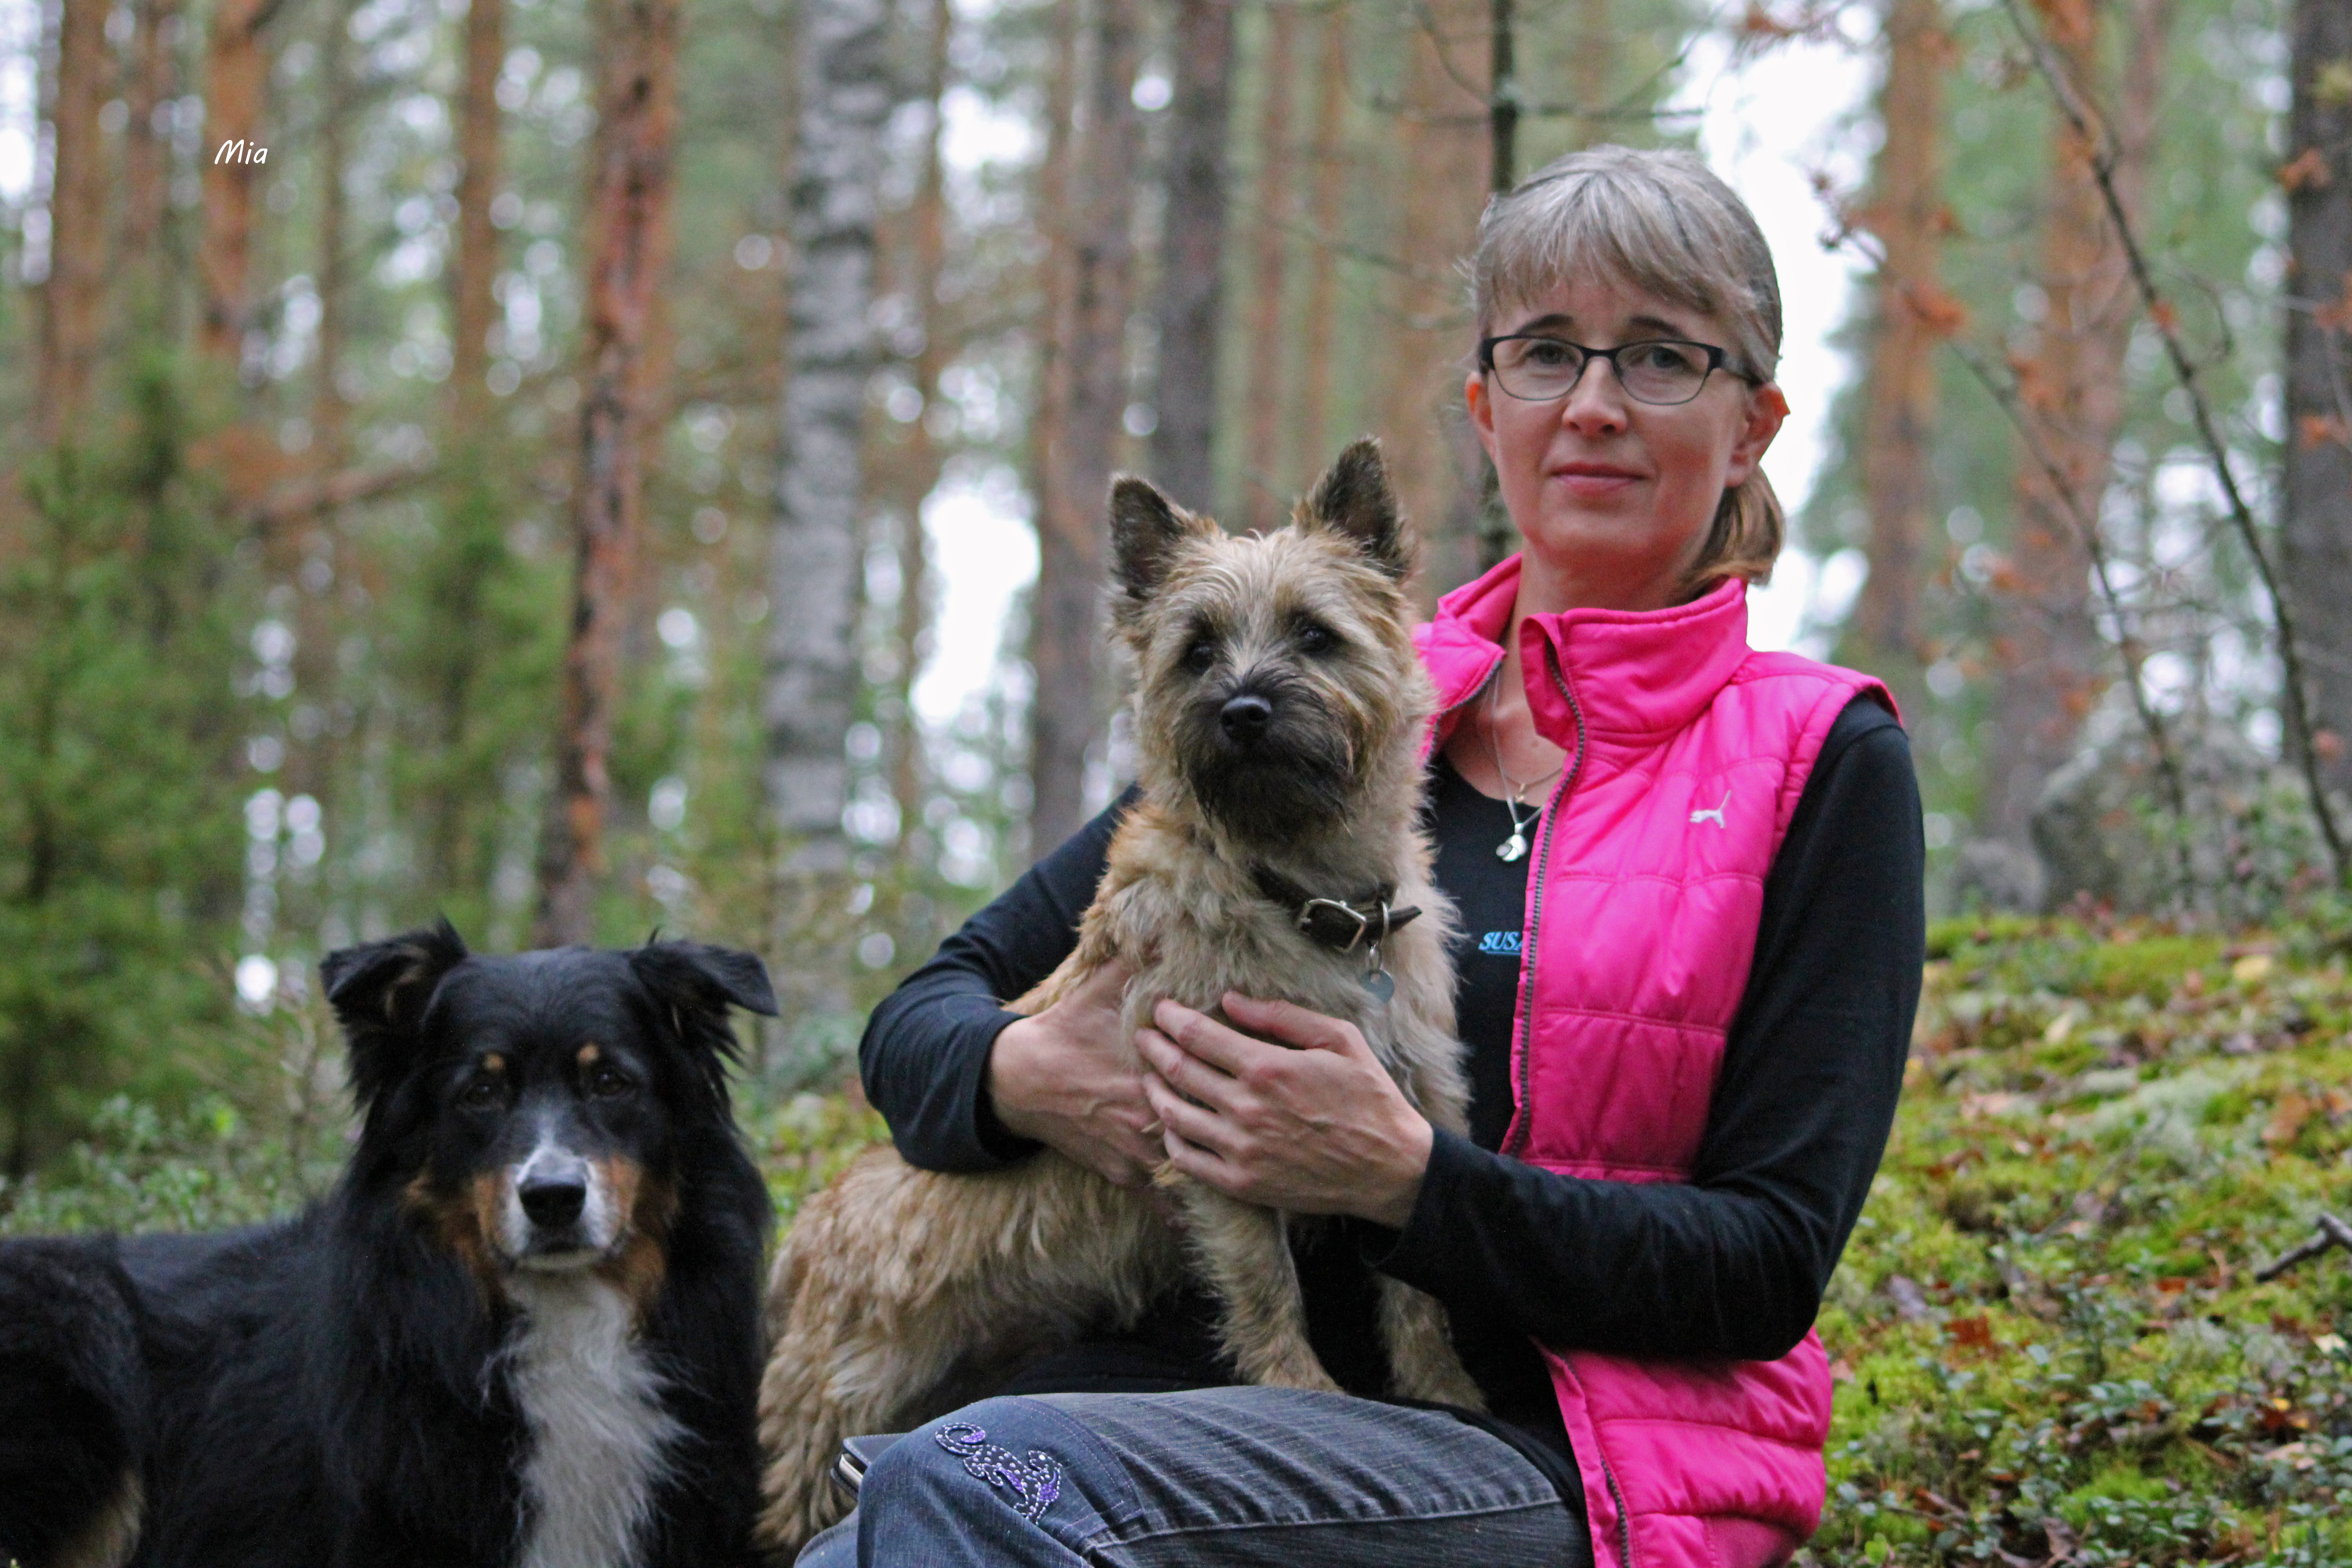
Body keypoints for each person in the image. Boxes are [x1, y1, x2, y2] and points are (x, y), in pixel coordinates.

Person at [804, 144, 1924, 1568]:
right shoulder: (1318, 724)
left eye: (1659, 357)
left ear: (1752, 422)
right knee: (896, 1520)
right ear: (1487, 405)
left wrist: (1406, 1180)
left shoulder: (1820, 761)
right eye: (1546, 353)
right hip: (1192, 1416)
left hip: (1567, 1453)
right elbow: (918, 1023)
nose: (1593, 403)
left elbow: (1765, 1268)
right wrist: (1039, 1075)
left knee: (980, 1482)